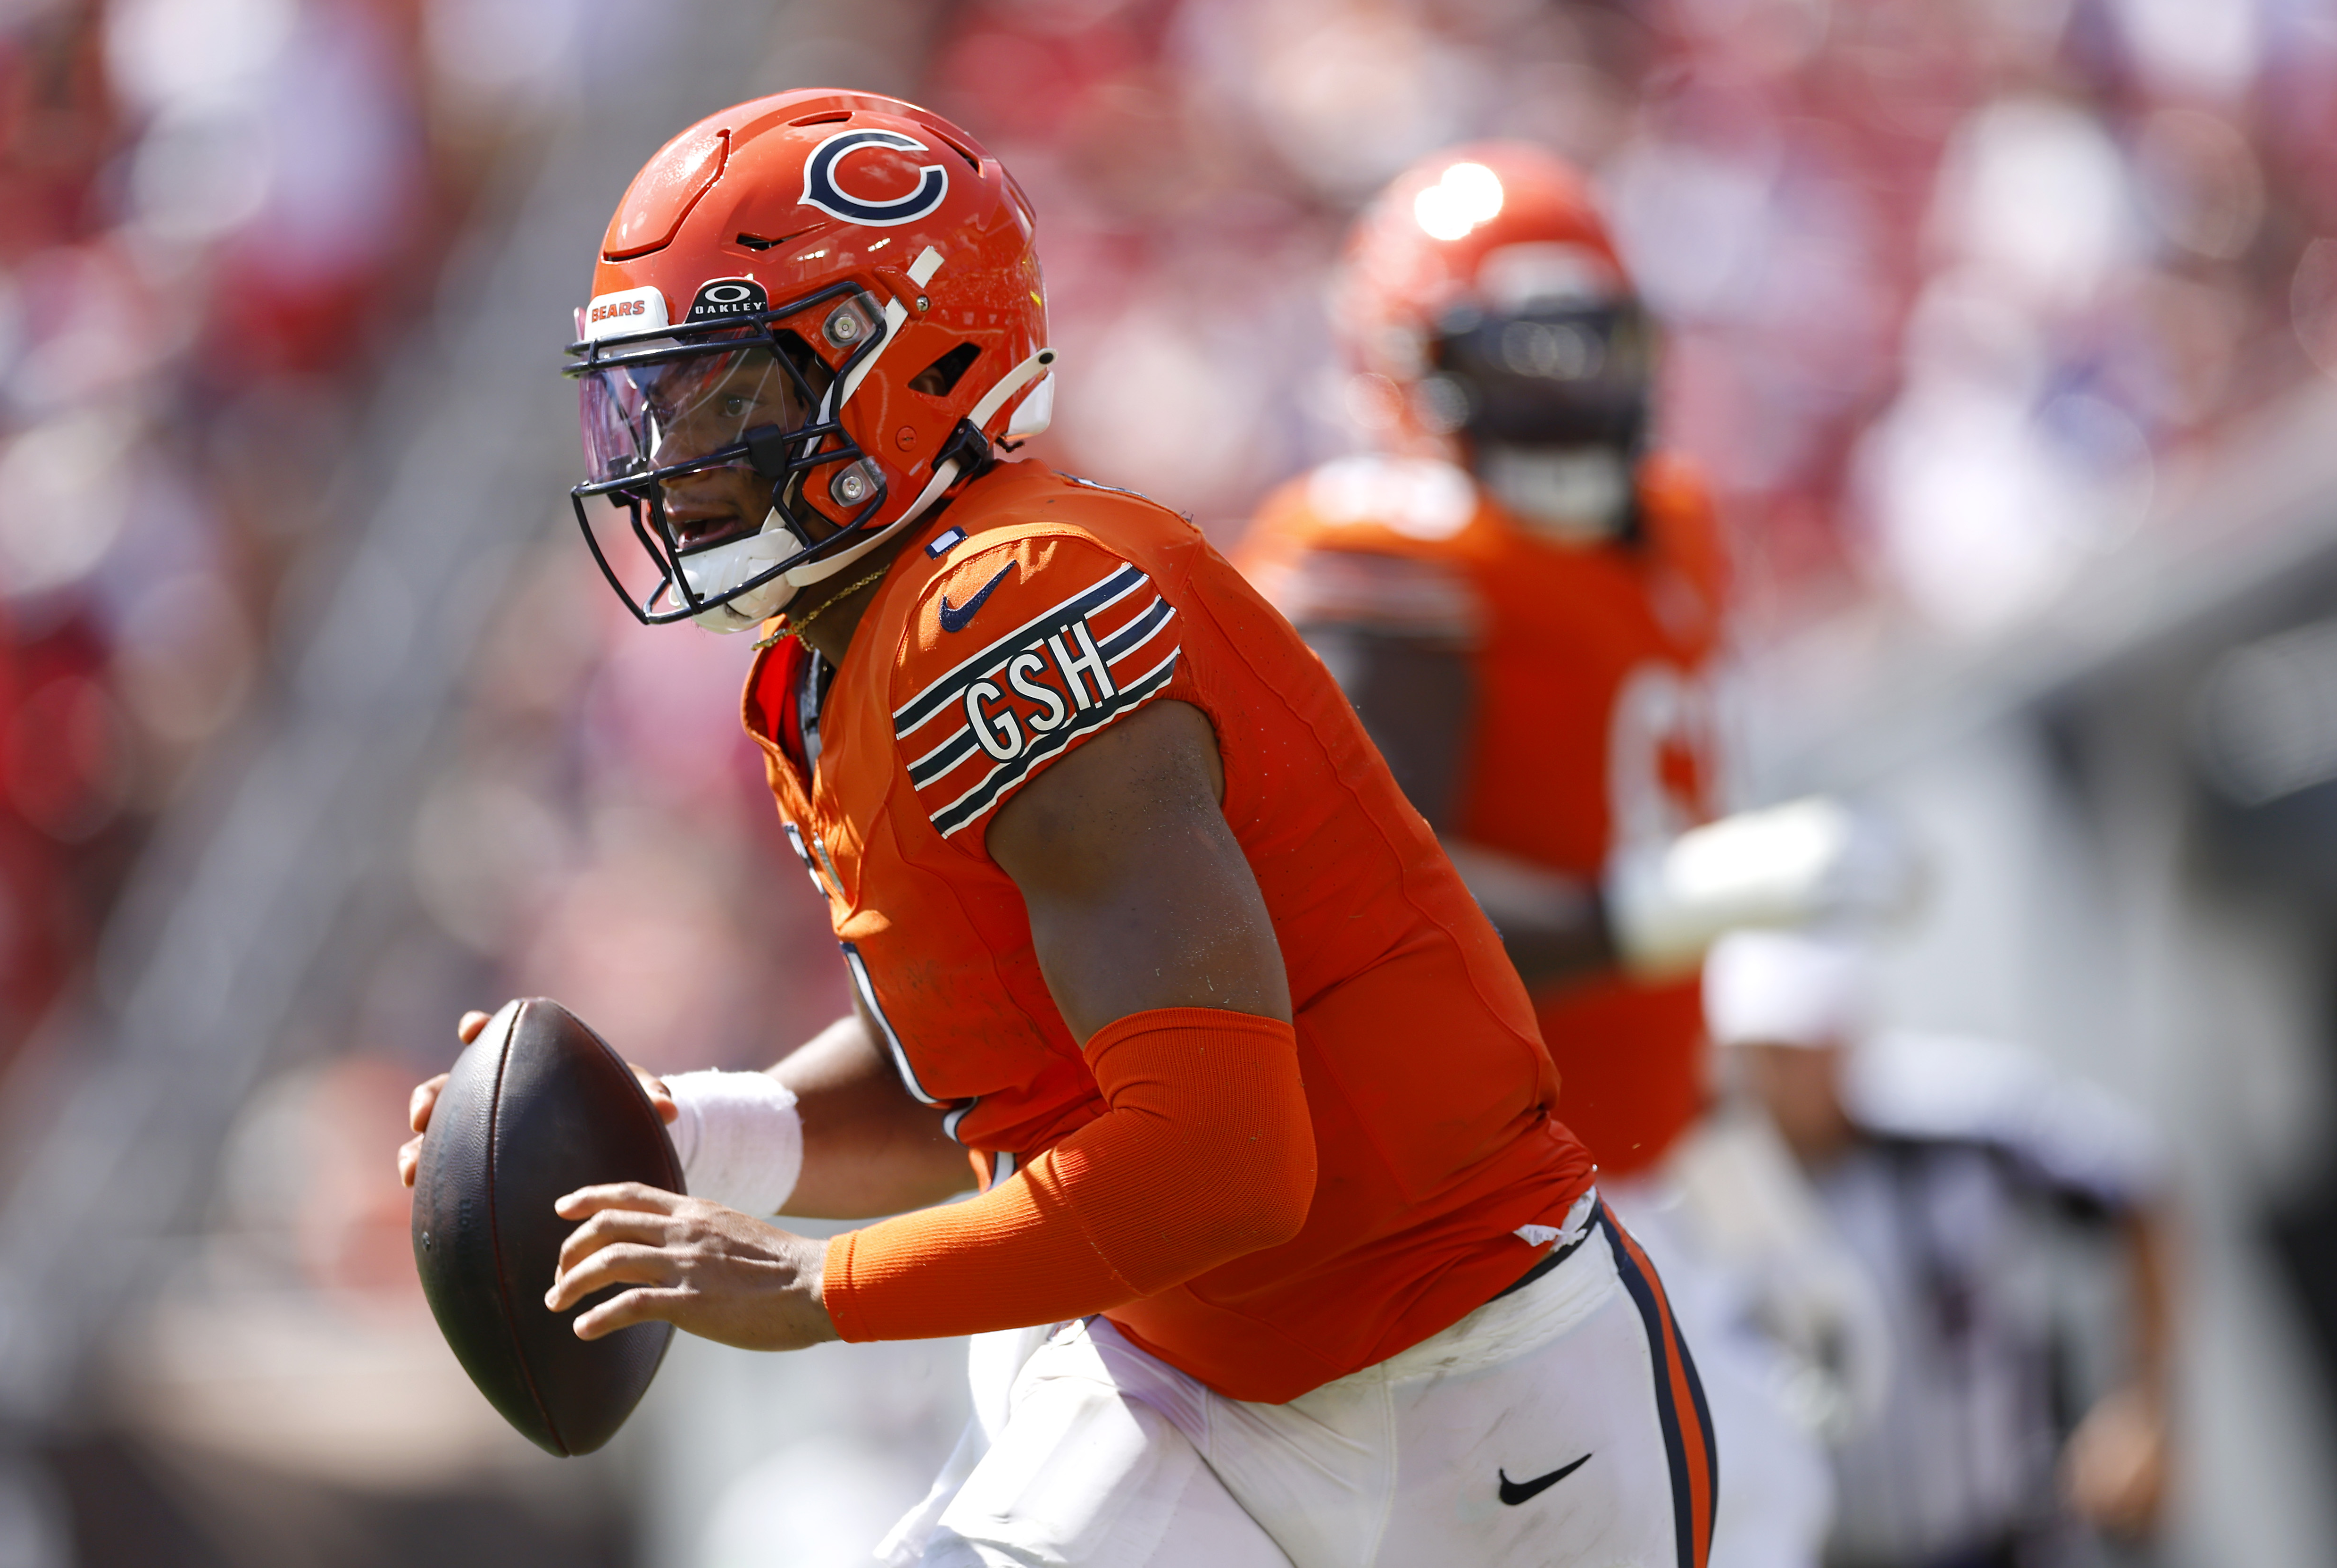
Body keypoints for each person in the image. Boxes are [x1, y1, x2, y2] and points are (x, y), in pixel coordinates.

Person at [398, 91, 1714, 1568]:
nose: (671, 458)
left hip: (1464, 1399)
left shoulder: (1013, 605)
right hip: (1191, 1382)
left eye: (725, 396)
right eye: (652, 399)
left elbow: (1219, 1161)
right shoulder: (840, 649)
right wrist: (686, 1135)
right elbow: (975, 1102)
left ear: (907, 366)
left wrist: (815, 1286)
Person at [1233, 143, 1910, 1568]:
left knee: (1759, 1511)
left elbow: (1632, 943)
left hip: (1632, 1171)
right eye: (1520, 356)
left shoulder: (1674, 528)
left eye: (1586, 349)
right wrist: (1690, 899)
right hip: (1471, 1213)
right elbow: (1361, 904)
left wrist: (1741, 1186)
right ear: (1404, 368)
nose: (1564, 397)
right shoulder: (1384, 550)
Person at [1705, 930, 2176, 1568]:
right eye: (1749, 1053)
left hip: (2013, 1537)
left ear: (1840, 1036)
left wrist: (2140, 1406)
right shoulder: (1717, 1178)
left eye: (1785, 1051)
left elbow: (2136, 1186)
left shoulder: (1963, 1123)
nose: (1763, 1079)